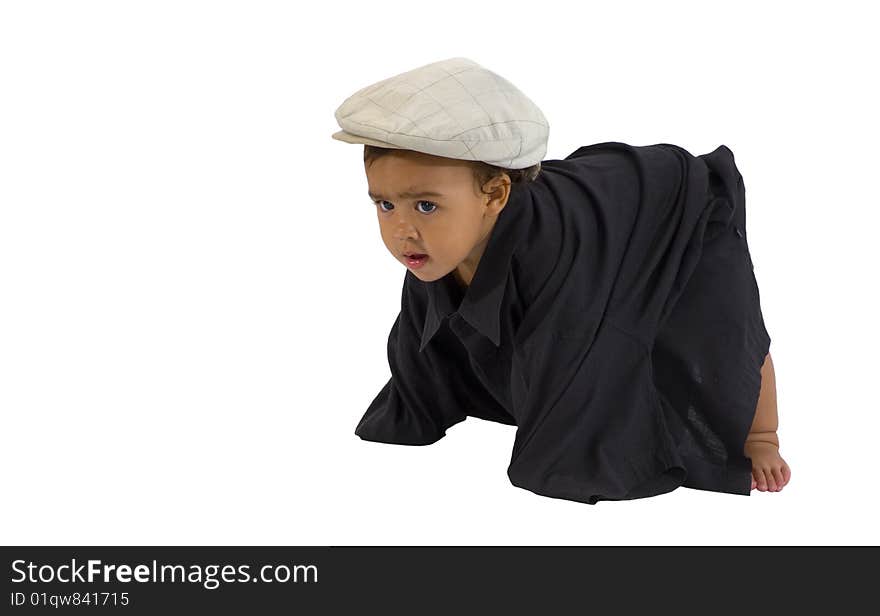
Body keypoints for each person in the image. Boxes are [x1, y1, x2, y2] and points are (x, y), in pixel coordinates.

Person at [331, 57, 791, 503]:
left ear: (494, 194)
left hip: (677, 209)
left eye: (425, 206)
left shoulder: (558, 261)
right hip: (579, 206)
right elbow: (423, 334)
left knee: (719, 323)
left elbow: (576, 359)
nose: (401, 230)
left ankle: (760, 434)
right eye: (385, 205)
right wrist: (415, 410)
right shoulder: (438, 244)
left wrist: (758, 438)